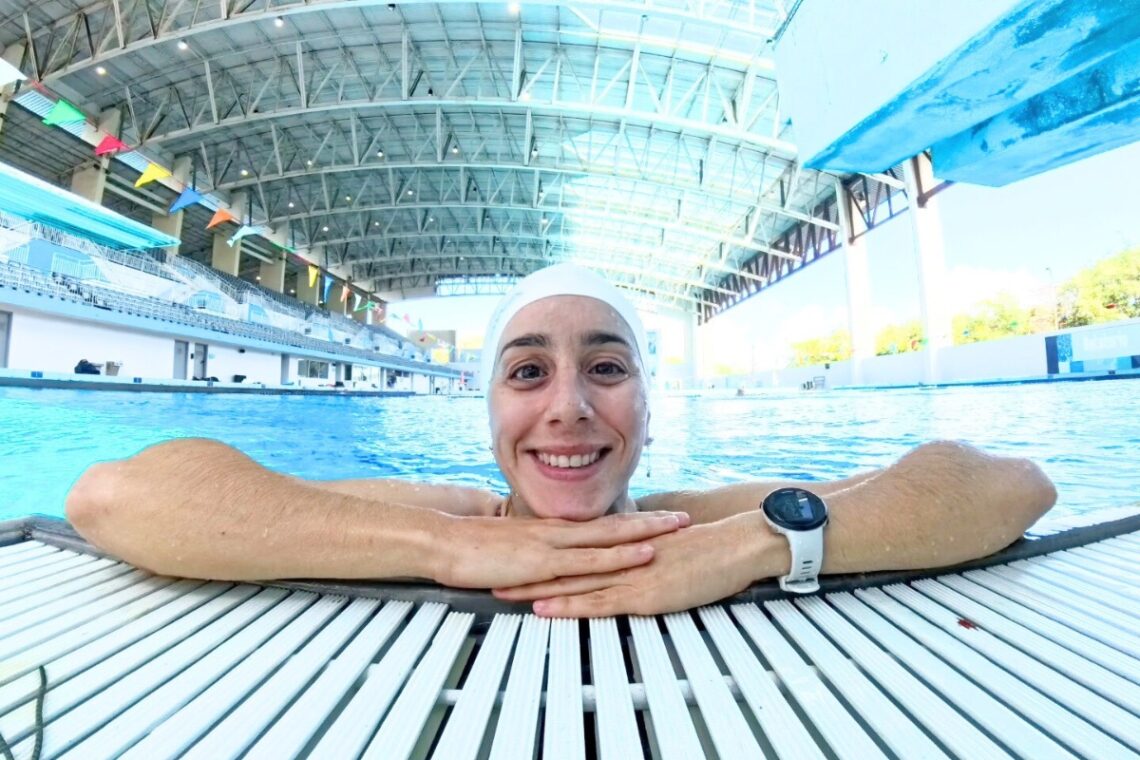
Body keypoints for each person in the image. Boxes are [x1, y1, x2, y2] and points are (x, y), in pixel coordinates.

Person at [65, 264, 1057, 618]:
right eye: (529, 370)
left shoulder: (706, 520)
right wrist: (447, 549)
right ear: (491, 411)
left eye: (608, 367)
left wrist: (762, 544)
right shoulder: (446, 517)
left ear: (651, 407)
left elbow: (1011, 483)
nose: (570, 406)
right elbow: (115, 495)